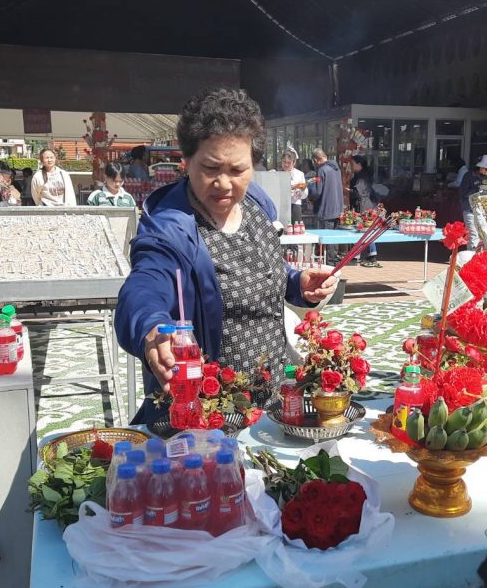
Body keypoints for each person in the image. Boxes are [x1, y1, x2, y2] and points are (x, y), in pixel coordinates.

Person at [114, 87, 337, 425]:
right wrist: (151, 326)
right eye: (211, 168)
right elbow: (144, 286)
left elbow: (261, 269)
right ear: (187, 161)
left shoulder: (256, 204)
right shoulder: (169, 228)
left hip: (273, 404)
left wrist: (296, 282)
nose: (224, 183)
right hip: (212, 415)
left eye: (237, 170)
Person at [349, 155, 381, 267]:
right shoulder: (363, 174)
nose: (351, 166)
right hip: (366, 205)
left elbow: (359, 193)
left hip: (363, 206)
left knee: (361, 230)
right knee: (366, 230)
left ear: (359, 164)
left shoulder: (362, 176)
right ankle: (370, 254)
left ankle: (357, 256)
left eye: (352, 164)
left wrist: (346, 190)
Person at [460, 155, 487, 250]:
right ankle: (472, 256)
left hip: (484, 211)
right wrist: (477, 190)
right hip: (470, 209)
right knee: (473, 236)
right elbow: (462, 193)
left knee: (484, 236)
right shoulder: (468, 176)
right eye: (486, 169)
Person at [279, 149, 307, 224]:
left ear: (294, 163)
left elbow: (305, 194)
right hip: (281, 206)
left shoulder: (299, 174)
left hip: (295, 205)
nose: (286, 165)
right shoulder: (277, 174)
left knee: (296, 227)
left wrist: (299, 192)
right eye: (284, 162)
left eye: (289, 163)